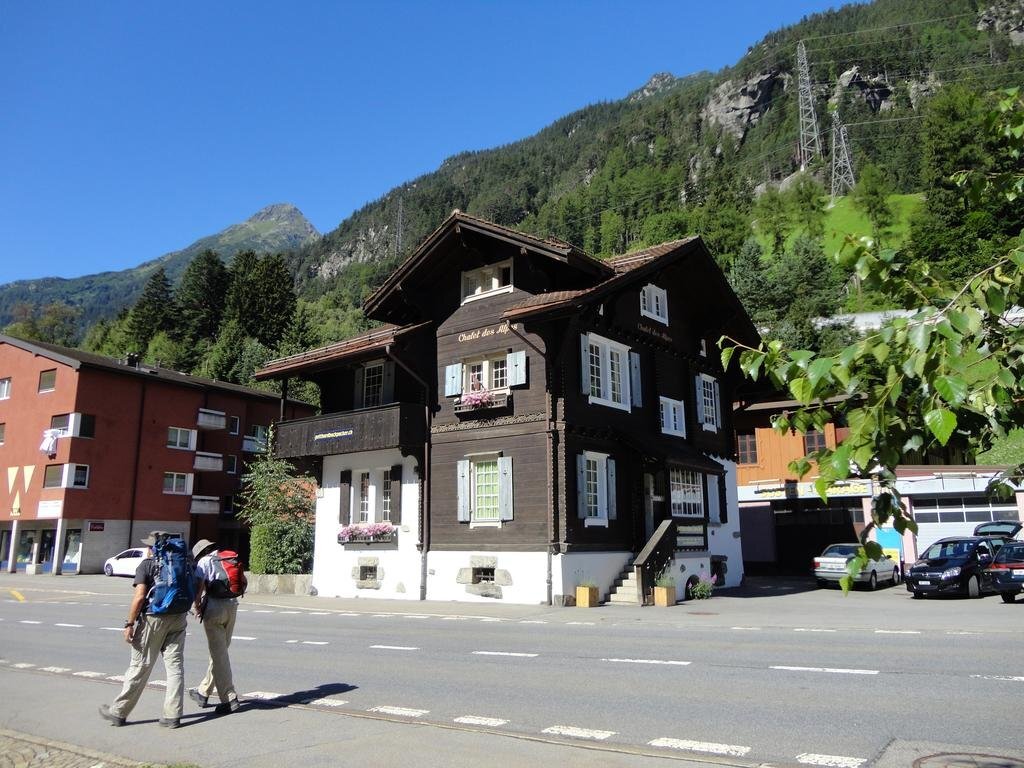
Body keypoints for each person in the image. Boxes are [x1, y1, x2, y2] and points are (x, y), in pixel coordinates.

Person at [99, 531, 189, 728]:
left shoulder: (147, 565)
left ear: (153, 548)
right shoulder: (184, 564)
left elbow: (140, 597)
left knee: (140, 665)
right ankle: (173, 715)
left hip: (153, 618)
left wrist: (129, 623)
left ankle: (118, 712)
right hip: (179, 616)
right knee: (175, 667)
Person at [188, 538, 241, 715]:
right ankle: (203, 692)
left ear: (201, 553)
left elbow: (199, 588)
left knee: (219, 655)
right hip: (232, 606)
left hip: (214, 608)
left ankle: (229, 698)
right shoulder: (227, 557)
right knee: (220, 652)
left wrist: (197, 606)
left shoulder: (204, 562)